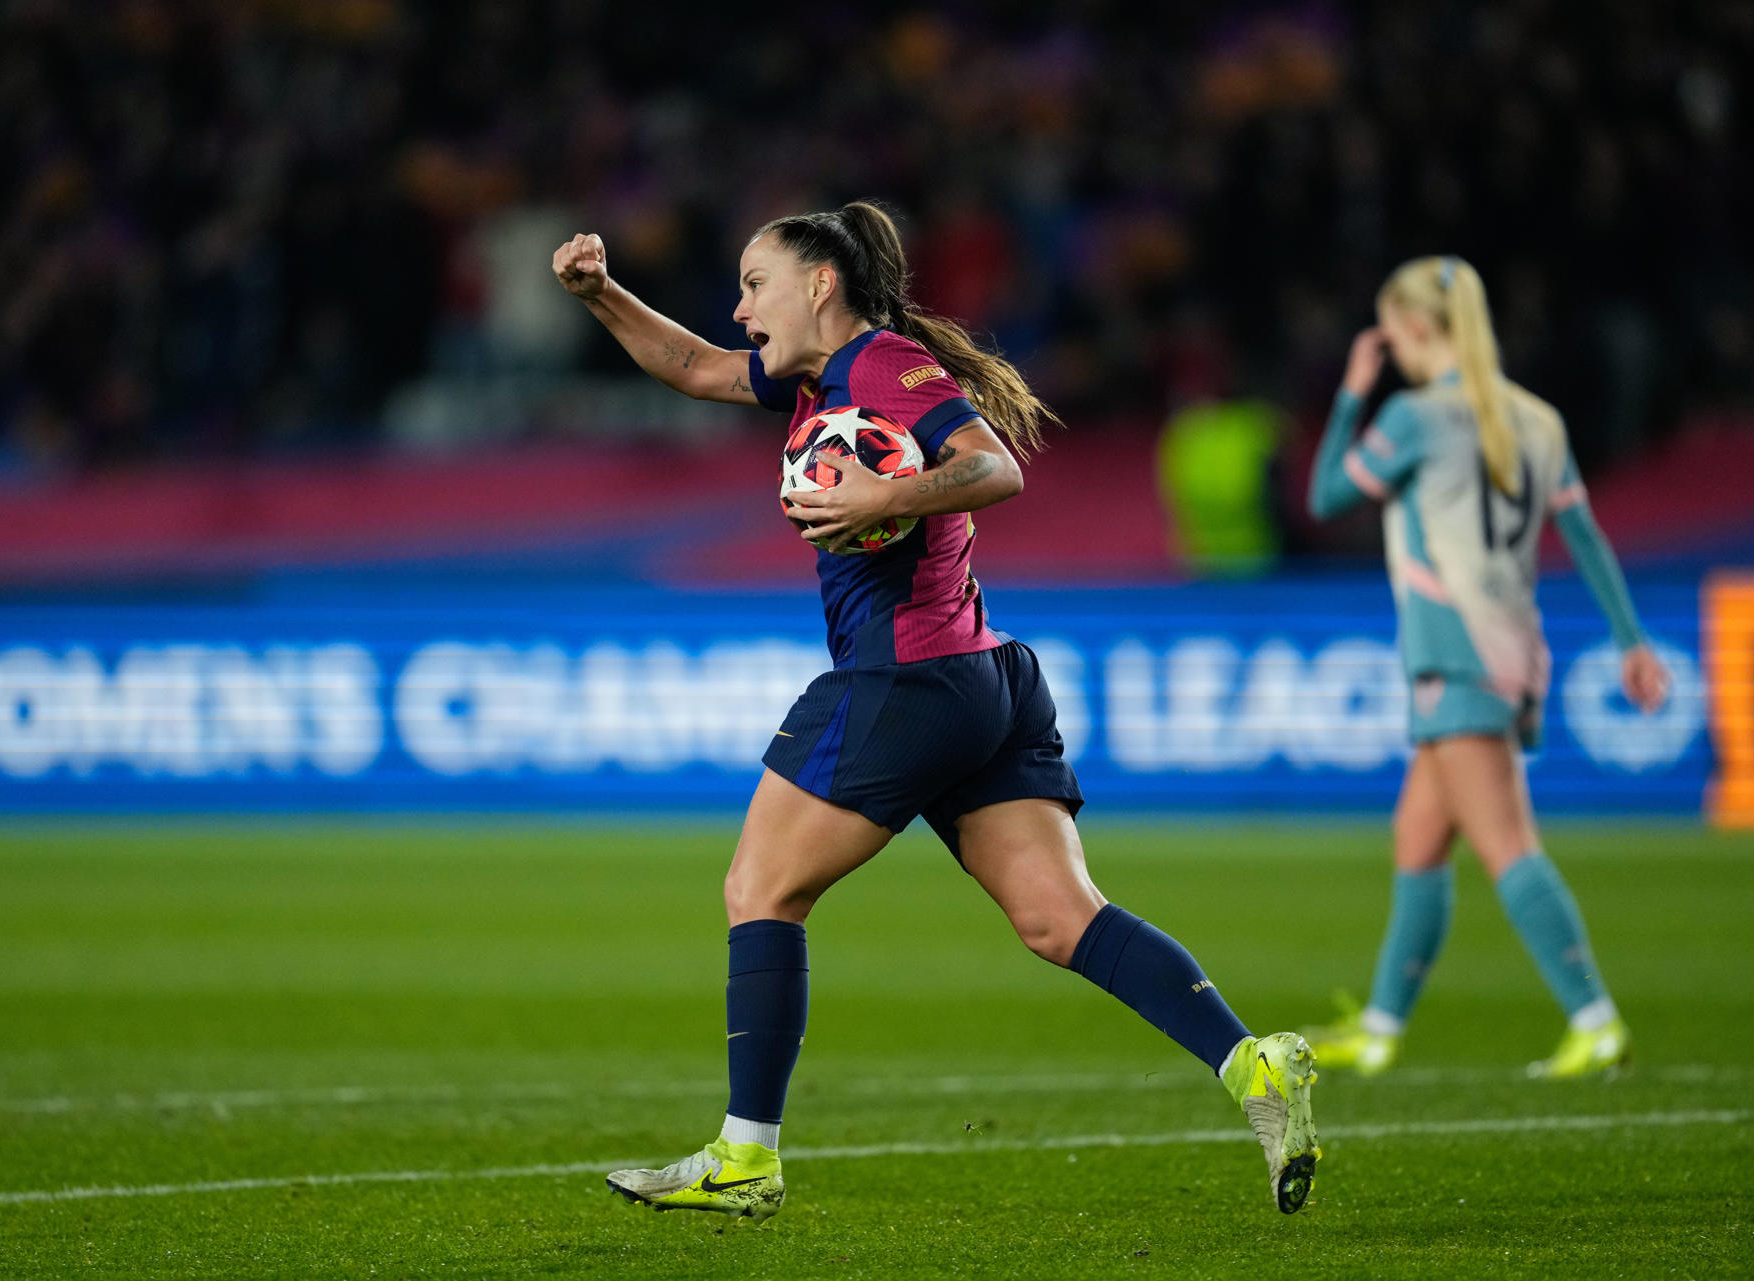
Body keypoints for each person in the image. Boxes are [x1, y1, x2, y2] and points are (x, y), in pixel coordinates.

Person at [551, 201, 1319, 1221]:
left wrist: (880, 500)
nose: (740, 311)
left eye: (753, 284)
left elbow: (994, 466)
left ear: (820, 283)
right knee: (1059, 919)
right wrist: (602, 295)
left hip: (905, 680)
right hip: (983, 682)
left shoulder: (886, 368)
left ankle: (746, 1157)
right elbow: (692, 366)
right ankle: (1253, 1067)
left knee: (760, 890)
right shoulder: (819, 378)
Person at [1303, 255, 1669, 1079]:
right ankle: (1382, 1027)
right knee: (1419, 838)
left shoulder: (1413, 419)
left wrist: (1353, 391)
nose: (1385, 345)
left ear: (1416, 329)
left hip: (1452, 652)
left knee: (1507, 842)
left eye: (1389, 330)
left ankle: (1596, 1017)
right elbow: (1585, 537)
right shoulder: (1536, 419)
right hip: (1512, 646)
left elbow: (1326, 495)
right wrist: (1632, 640)